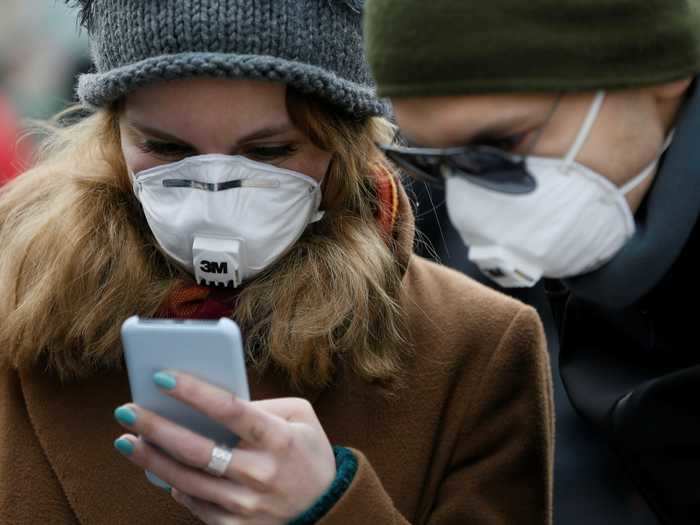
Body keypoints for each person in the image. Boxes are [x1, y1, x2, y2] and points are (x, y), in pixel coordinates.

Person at [0, 1, 554, 523]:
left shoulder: (476, 349)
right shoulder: (14, 296)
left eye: (268, 153)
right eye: (166, 149)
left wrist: (328, 508)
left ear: (345, 145)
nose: (212, 195)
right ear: (113, 133)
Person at [365, 1, 700, 523]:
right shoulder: (611, 262)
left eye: (500, 146)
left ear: (661, 67)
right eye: (437, 164)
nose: (476, 207)